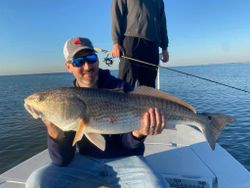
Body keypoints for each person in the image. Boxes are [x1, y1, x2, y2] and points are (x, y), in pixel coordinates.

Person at [25, 37, 169, 188]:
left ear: (98, 60)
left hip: (127, 159)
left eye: (91, 58)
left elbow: (129, 147)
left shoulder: (123, 89)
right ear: (68, 67)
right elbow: (62, 160)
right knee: (36, 183)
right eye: (78, 62)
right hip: (84, 162)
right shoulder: (67, 103)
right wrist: (53, 131)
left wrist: (138, 134)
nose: (87, 66)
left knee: (156, 186)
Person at [111, 0, 169, 89]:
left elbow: (162, 22)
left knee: (149, 88)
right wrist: (116, 42)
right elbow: (116, 13)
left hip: (152, 45)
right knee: (125, 84)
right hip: (131, 41)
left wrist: (165, 47)